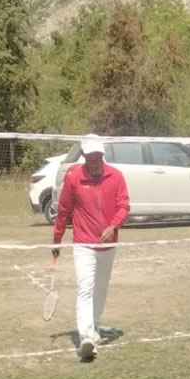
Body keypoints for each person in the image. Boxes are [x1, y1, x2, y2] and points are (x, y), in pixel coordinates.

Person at [51, 135, 130, 361]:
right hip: (83, 244)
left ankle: (94, 326)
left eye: (97, 155)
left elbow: (124, 205)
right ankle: (86, 335)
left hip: (108, 245)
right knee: (85, 287)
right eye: (90, 156)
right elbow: (64, 211)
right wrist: (56, 239)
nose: (94, 160)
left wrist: (114, 225)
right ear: (84, 156)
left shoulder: (116, 176)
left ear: (102, 155)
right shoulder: (74, 177)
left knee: (101, 288)